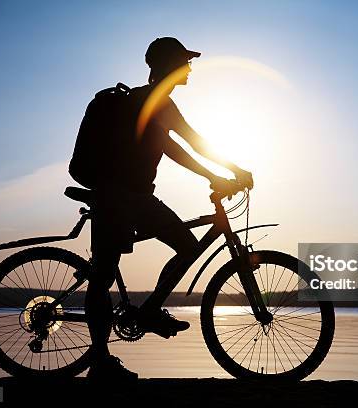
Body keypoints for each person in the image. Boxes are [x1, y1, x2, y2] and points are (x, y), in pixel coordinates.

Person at [85, 37, 253, 381]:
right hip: (122, 196)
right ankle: (109, 354)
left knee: (105, 273)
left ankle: (138, 322)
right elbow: (189, 143)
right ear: (170, 65)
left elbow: (179, 145)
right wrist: (225, 173)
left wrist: (221, 173)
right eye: (185, 62)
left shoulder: (148, 101)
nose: (190, 68)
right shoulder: (155, 103)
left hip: (123, 195)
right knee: (109, 273)